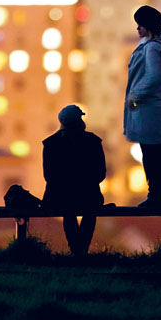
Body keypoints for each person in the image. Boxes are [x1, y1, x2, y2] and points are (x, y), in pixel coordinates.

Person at [123, 4, 161, 209]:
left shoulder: (152, 48)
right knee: (154, 151)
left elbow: (153, 76)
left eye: (140, 25)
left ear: (148, 26)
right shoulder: (159, 45)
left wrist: (135, 96)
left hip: (149, 108)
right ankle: (156, 193)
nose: (138, 29)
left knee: (152, 152)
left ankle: (155, 195)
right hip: (153, 107)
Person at [42, 104, 106, 255]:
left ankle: (76, 249)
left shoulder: (50, 143)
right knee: (90, 212)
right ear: (80, 121)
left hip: (58, 197)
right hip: (89, 196)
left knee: (67, 211)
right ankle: (81, 250)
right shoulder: (93, 141)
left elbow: (49, 176)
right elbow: (100, 174)